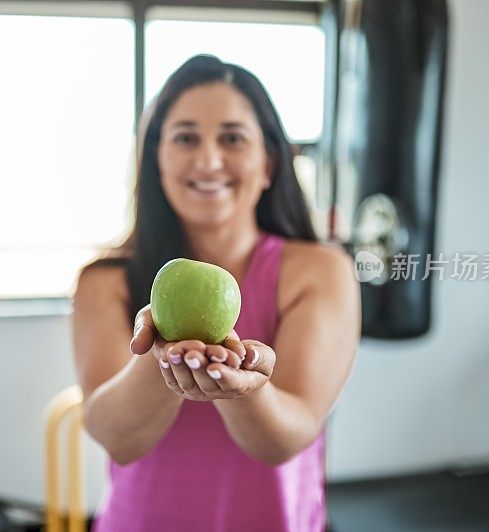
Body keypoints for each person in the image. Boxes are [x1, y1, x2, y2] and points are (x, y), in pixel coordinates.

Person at [71, 54, 361, 532]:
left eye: (232, 138)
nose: (208, 160)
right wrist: (161, 355)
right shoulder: (104, 279)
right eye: (185, 138)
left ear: (268, 163)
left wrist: (243, 389)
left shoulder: (322, 270)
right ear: (157, 158)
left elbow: (288, 438)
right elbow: (115, 437)